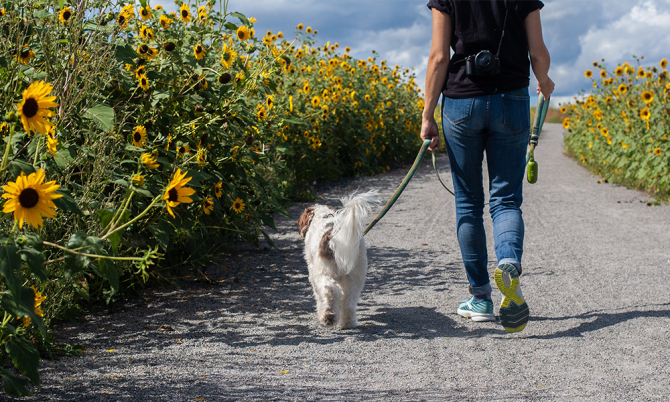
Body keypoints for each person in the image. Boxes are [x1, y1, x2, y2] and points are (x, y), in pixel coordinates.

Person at [421, 0, 554, 333]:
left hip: (461, 101)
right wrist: (545, 80)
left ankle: (480, 299)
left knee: (468, 203)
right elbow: (537, 52)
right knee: (506, 200)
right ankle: (508, 261)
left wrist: (427, 115)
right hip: (511, 99)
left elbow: (438, 56)